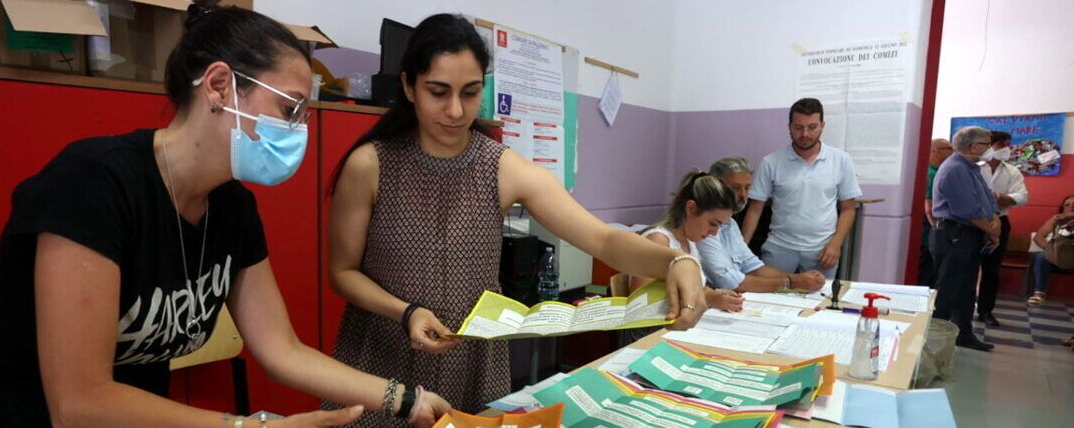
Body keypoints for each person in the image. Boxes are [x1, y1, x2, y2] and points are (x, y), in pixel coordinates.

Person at [0, 5, 451, 427]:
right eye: (290, 109)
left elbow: (282, 350)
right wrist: (249, 426)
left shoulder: (231, 206)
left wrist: (406, 399)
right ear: (220, 86)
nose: (300, 130)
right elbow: (80, 403)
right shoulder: (93, 183)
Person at [325, 14, 707, 424]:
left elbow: (602, 240)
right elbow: (343, 272)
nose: (455, 110)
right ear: (408, 87)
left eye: (470, 93)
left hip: (469, 362)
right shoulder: (372, 164)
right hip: (382, 355)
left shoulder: (500, 168)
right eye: (439, 92)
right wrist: (406, 312)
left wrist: (677, 261)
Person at [743, 98, 863, 279]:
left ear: (822, 125)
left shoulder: (841, 160)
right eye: (798, 127)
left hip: (822, 250)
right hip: (779, 248)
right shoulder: (771, 162)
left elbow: (848, 209)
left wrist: (836, 244)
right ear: (789, 126)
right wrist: (741, 248)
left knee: (819, 302)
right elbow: (755, 209)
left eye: (812, 127)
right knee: (771, 300)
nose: (805, 134)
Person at [698, 157, 827, 293]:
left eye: (747, 188)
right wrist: (791, 282)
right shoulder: (704, 225)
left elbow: (753, 267)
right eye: (735, 188)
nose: (743, 195)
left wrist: (801, 278)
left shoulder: (731, 224)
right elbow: (727, 281)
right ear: (716, 187)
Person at [931, 126, 999, 352]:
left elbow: (987, 199)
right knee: (948, 289)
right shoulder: (955, 169)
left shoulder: (972, 167)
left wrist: (994, 219)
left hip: (969, 233)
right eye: (987, 144)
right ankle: (933, 342)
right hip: (954, 234)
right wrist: (990, 230)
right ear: (974, 146)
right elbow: (966, 210)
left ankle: (963, 333)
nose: (990, 148)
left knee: (967, 289)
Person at [641, 171, 742, 312]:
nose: (714, 232)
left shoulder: (690, 244)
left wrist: (714, 294)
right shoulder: (658, 241)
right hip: (650, 330)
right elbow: (641, 305)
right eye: (713, 223)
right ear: (691, 208)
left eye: (720, 226)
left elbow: (693, 287)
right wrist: (707, 298)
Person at [977, 131, 1029, 326]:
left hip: (1001, 221)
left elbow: (1023, 197)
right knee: (967, 267)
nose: (1006, 149)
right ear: (989, 145)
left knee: (992, 270)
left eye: (1008, 145)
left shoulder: (1012, 171)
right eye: (1002, 145)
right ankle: (962, 309)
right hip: (973, 222)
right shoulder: (975, 166)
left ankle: (985, 311)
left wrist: (1000, 197)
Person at [919, 138, 953, 288]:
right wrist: (937, 229)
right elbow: (929, 207)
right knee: (927, 273)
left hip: (932, 230)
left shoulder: (939, 171)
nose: (952, 151)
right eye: (949, 148)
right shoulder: (932, 174)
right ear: (935, 151)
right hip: (931, 230)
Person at [1028, 194, 1074, 306]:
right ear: (1062, 208)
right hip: (1057, 256)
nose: (1071, 207)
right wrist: (1050, 249)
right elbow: (1038, 237)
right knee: (1041, 256)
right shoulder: (1056, 220)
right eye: (1067, 205)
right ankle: (1038, 293)